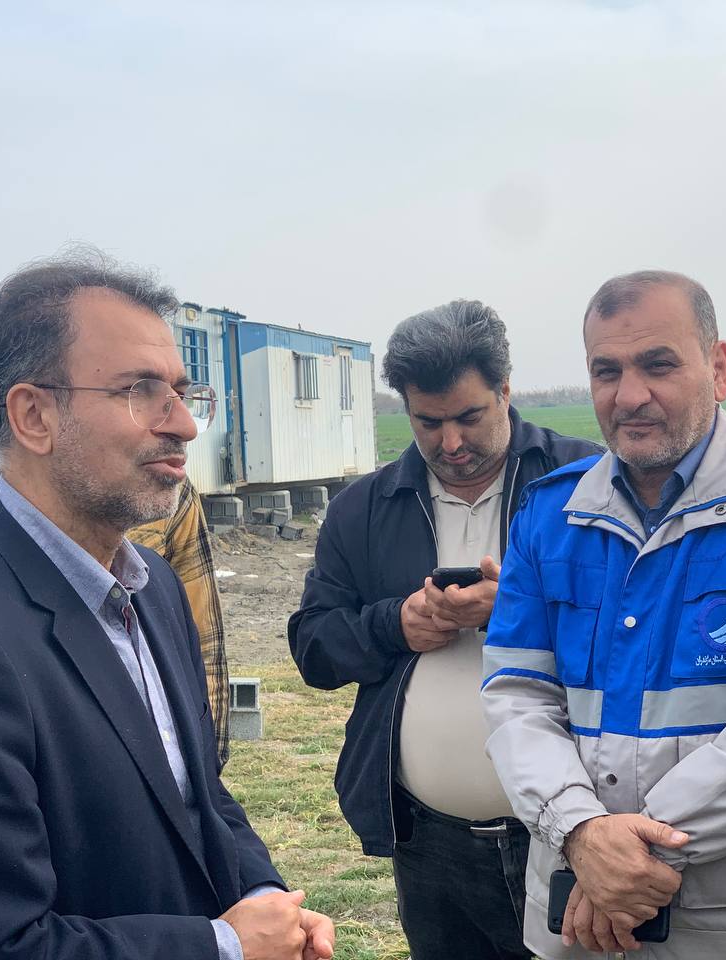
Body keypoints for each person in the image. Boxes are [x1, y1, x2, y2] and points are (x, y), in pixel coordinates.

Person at [0, 252, 335, 960]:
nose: (184, 424)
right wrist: (224, 947)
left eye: (182, 392)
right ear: (34, 416)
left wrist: (267, 903)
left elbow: (197, 800)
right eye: (141, 390)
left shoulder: (152, 588)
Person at [482, 270, 726, 958]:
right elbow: (516, 697)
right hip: (587, 922)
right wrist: (580, 833)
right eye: (606, 371)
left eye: (658, 365)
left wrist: (630, 855)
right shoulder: (549, 516)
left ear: (719, 369)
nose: (629, 395)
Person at [289, 300, 601, 959]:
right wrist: (394, 624)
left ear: (505, 391)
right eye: (427, 422)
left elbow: (643, 626)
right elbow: (313, 647)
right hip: (428, 844)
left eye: (469, 417)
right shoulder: (362, 509)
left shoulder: (586, 485)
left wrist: (516, 610)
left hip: (573, 831)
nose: (450, 443)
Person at [0, 421, 232, 765]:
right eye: (129, 392)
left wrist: (205, 771)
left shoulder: (161, 487)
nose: (183, 424)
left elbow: (203, 651)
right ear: (29, 411)